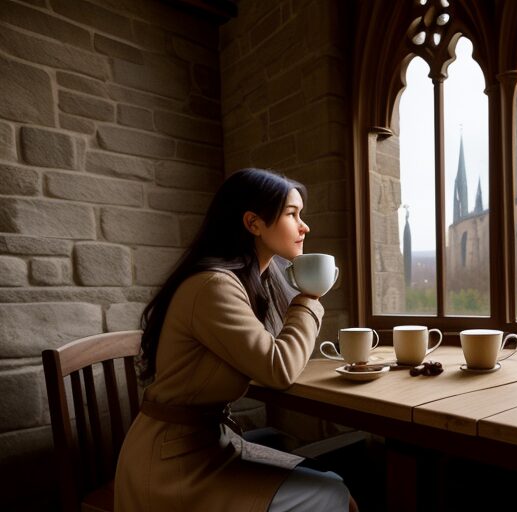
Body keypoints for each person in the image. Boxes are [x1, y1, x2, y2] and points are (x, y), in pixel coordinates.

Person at [114, 168, 358, 511]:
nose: (305, 226)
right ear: (253, 223)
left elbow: (270, 359)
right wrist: (309, 299)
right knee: (330, 493)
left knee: (335, 487)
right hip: (174, 464)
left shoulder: (247, 281)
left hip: (208, 444)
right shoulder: (214, 286)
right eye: (292, 214)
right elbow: (279, 368)